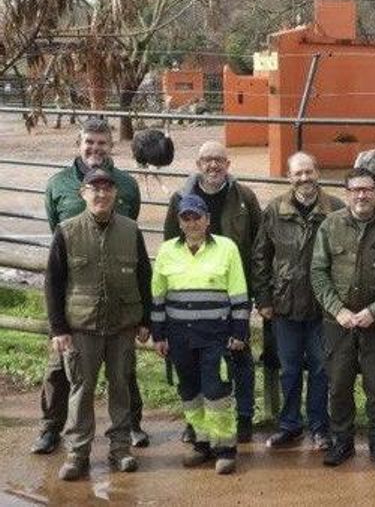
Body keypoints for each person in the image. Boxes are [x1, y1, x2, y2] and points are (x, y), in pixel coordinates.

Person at [35, 116, 146, 455]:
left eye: (102, 143)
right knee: (60, 369)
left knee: (123, 370)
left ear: (111, 146)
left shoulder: (126, 185)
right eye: (89, 143)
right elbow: (60, 235)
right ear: (79, 145)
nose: (95, 149)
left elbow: (129, 233)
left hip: (116, 296)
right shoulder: (57, 184)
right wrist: (60, 321)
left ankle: (131, 430)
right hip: (75, 296)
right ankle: (50, 428)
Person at [44, 168, 152, 481]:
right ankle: (78, 453)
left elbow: (143, 277)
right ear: (83, 193)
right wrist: (59, 329)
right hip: (81, 327)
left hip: (122, 327)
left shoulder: (131, 230)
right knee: (81, 390)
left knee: (121, 388)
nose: (101, 194)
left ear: (115, 194)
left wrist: (145, 320)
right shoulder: (66, 231)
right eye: (95, 189)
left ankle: (120, 450)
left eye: (107, 189)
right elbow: (53, 283)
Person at [164, 141, 265, 444]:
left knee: (240, 356)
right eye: (207, 160)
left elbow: (259, 246)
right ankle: (196, 423)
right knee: (193, 361)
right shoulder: (181, 198)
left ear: (228, 164)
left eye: (219, 160)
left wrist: (256, 293)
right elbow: (171, 246)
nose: (213, 166)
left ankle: (244, 416)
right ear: (198, 164)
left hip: (234, 291)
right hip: (193, 296)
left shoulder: (244, 197)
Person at [310, 167, 375, 469]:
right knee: (339, 385)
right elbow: (317, 271)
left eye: (367, 189)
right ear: (347, 193)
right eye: (355, 189)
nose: (362, 195)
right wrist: (338, 309)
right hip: (337, 323)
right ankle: (343, 442)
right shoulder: (330, 225)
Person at [151, 194, 250, 475]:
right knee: (190, 392)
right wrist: (159, 334)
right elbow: (158, 296)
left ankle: (225, 448)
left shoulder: (226, 248)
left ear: (207, 219)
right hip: (179, 337)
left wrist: (239, 331)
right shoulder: (167, 250)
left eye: (197, 217)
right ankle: (201, 443)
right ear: (180, 222)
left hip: (215, 337)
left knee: (216, 392)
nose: (192, 222)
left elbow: (239, 294)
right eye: (187, 218)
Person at [252, 151, 344, 451]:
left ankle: (320, 427)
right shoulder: (275, 210)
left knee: (320, 369)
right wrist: (264, 298)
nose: (304, 178)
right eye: (298, 174)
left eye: (309, 172)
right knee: (289, 369)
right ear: (289, 177)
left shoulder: (336, 209)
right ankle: (289, 425)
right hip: (285, 305)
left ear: (317, 172)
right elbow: (260, 256)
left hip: (323, 306)